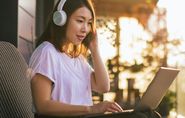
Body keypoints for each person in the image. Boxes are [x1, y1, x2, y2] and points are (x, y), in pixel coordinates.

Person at [29, 0, 161, 118]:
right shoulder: (47, 52)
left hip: (87, 116)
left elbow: (103, 86)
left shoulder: (78, 59)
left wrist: (95, 48)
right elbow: (42, 105)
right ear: (60, 19)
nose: (85, 29)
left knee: (149, 114)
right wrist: (91, 109)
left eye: (89, 23)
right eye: (80, 21)